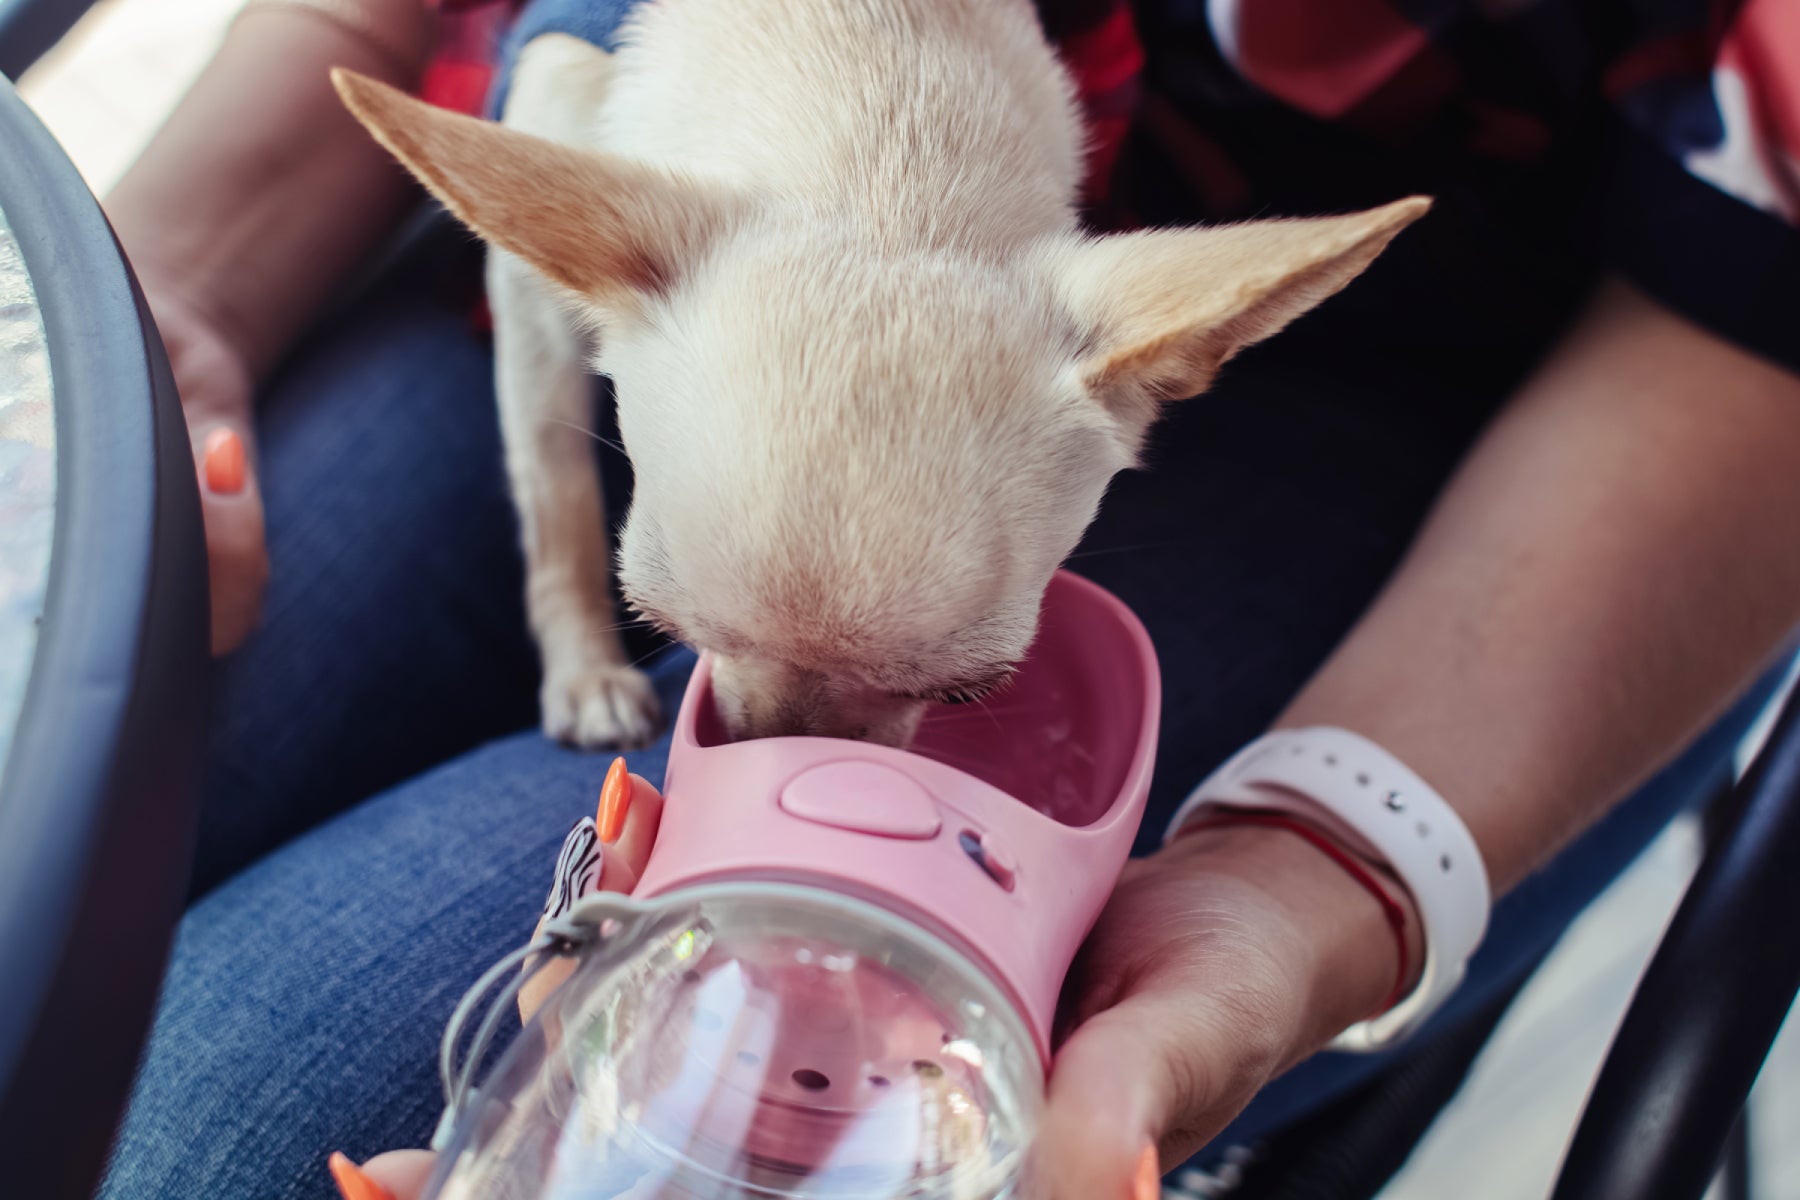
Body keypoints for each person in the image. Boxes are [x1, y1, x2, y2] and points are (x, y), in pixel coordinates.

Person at [96, 0, 1800, 1197]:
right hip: (675, 194)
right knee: (61, 816)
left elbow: (1761, 311)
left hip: (1462, 383)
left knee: (228, 1136)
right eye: (695, 630)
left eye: (950, 677)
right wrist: (143, 309)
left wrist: (1317, 873)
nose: (738, 742)